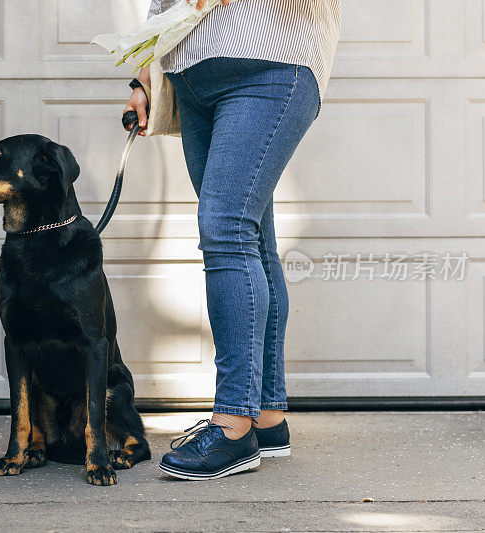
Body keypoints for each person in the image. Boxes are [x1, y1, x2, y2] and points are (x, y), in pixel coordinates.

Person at [123, 0, 341, 480]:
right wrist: (143, 78)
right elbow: (162, 7)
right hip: (192, 79)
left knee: (225, 232)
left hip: (269, 65)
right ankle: (266, 417)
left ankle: (232, 424)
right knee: (251, 239)